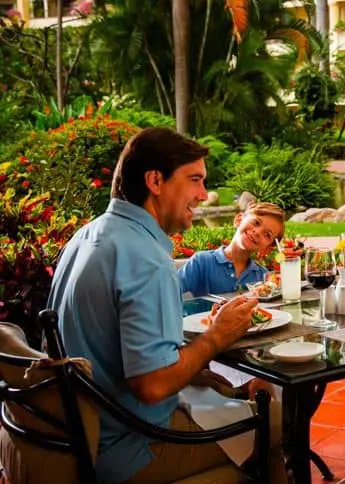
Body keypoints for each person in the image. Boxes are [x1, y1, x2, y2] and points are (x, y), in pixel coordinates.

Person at [47, 127, 281, 483]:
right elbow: (153, 385)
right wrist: (217, 337)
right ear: (156, 181)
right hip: (128, 444)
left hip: (78, 431)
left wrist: (207, 372)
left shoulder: (89, 234)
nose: (203, 195)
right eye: (195, 180)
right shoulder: (147, 258)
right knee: (277, 422)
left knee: (221, 392)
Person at [179, 201, 285, 297]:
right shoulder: (202, 262)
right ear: (238, 220)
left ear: (267, 248)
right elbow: (167, 291)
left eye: (267, 235)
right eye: (256, 222)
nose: (257, 232)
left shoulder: (262, 276)